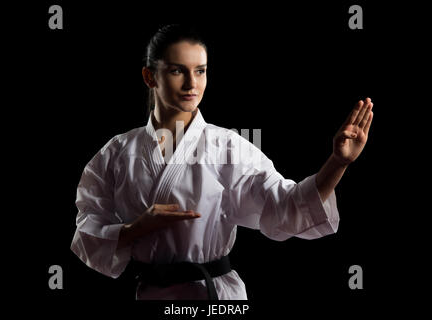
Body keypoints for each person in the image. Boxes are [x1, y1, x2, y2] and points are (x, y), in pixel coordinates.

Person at [70, 24, 374, 300]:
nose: (192, 83)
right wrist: (137, 228)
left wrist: (337, 162)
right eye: (178, 70)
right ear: (150, 76)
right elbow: (87, 228)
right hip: (150, 294)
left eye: (200, 71)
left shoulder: (228, 146)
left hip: (214, 296)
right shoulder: (117, 152)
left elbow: (285, 205)